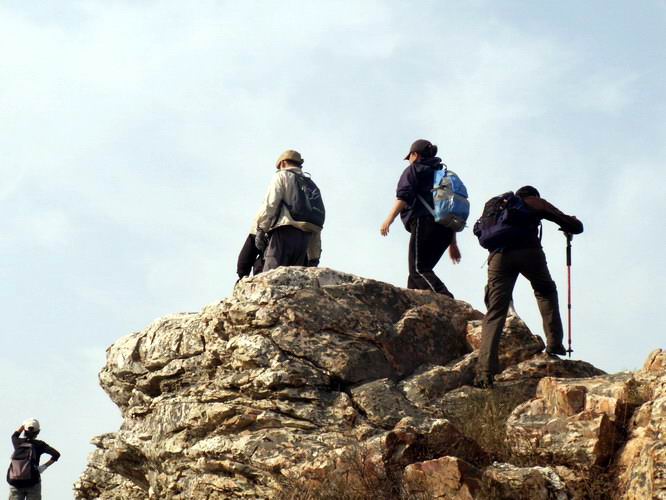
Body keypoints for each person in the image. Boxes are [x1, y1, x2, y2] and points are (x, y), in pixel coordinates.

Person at [474, 186, 584, 388]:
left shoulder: (497, 207)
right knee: (545, 291)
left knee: (496, 310)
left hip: (498, 257)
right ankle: (554, 344)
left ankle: (484, 373)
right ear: (532, 195)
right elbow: (573, 225)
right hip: (529, 253)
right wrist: (572, 223)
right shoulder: (534, 202)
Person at [380, 139, 461, 298]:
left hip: (424, 222)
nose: (409, 160)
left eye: (409, 156)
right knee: (417, 274)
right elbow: (449, 209)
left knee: (418, 270)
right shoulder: (442, 175)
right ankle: (413, 303)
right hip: (446, 230)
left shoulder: (414, 170)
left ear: (415, 155)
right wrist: (453, 243)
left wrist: (389, 219)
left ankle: (446, 299)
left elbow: (403, 197)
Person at [255, 150, 323, 271]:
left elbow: (270, 204)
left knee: (272, 275)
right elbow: (315, 221)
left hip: (283, 233)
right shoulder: (311, 185)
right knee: (294, 279)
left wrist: (261, 229)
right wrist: (314, 256)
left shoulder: (282, 176)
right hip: (305, 239)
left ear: (283, 163)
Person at [7, 419, 60, 500]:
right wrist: (43, 467)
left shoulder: (17, 442)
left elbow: (14, 435)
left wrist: (24, 425)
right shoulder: (40, 444)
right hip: (33, 481)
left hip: (16, 482)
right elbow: (56, 454)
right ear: (38, 432)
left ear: (24, 430)